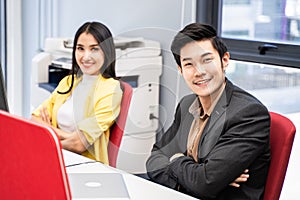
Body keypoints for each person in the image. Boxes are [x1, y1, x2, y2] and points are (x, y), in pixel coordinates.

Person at [146, 23, 270, 199]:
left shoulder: (248, 114)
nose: (199, 72)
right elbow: (155, 159)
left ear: (224, 60)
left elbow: (205, 184)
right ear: (180, 70)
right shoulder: (186, 105)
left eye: (207, 60)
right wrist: (194, 175)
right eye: (189, 64)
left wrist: (175, 159)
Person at [31, 21, 123, 165]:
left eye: (94, 49)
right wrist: (68, 136)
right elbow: (34, 120)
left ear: (106, 52)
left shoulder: (111, 90)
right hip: (60, 158)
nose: (86, 57)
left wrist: (49, 137)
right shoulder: (69, 81)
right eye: (81, 48)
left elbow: (78, 145)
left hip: (85, 165)